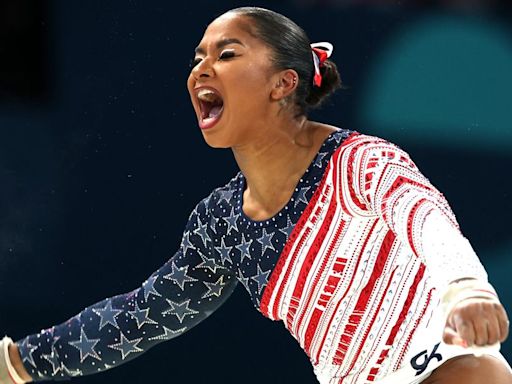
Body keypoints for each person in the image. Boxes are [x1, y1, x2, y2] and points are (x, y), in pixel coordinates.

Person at [1, 6, 511, 384]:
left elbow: (426, 219)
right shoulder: (222, 225)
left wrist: (466, 288)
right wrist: (19, 361)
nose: (201, 68)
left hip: (447, 363)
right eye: (197, 57)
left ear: (282, 83)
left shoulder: (358, 161)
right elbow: (140, 317)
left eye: (226, 54)